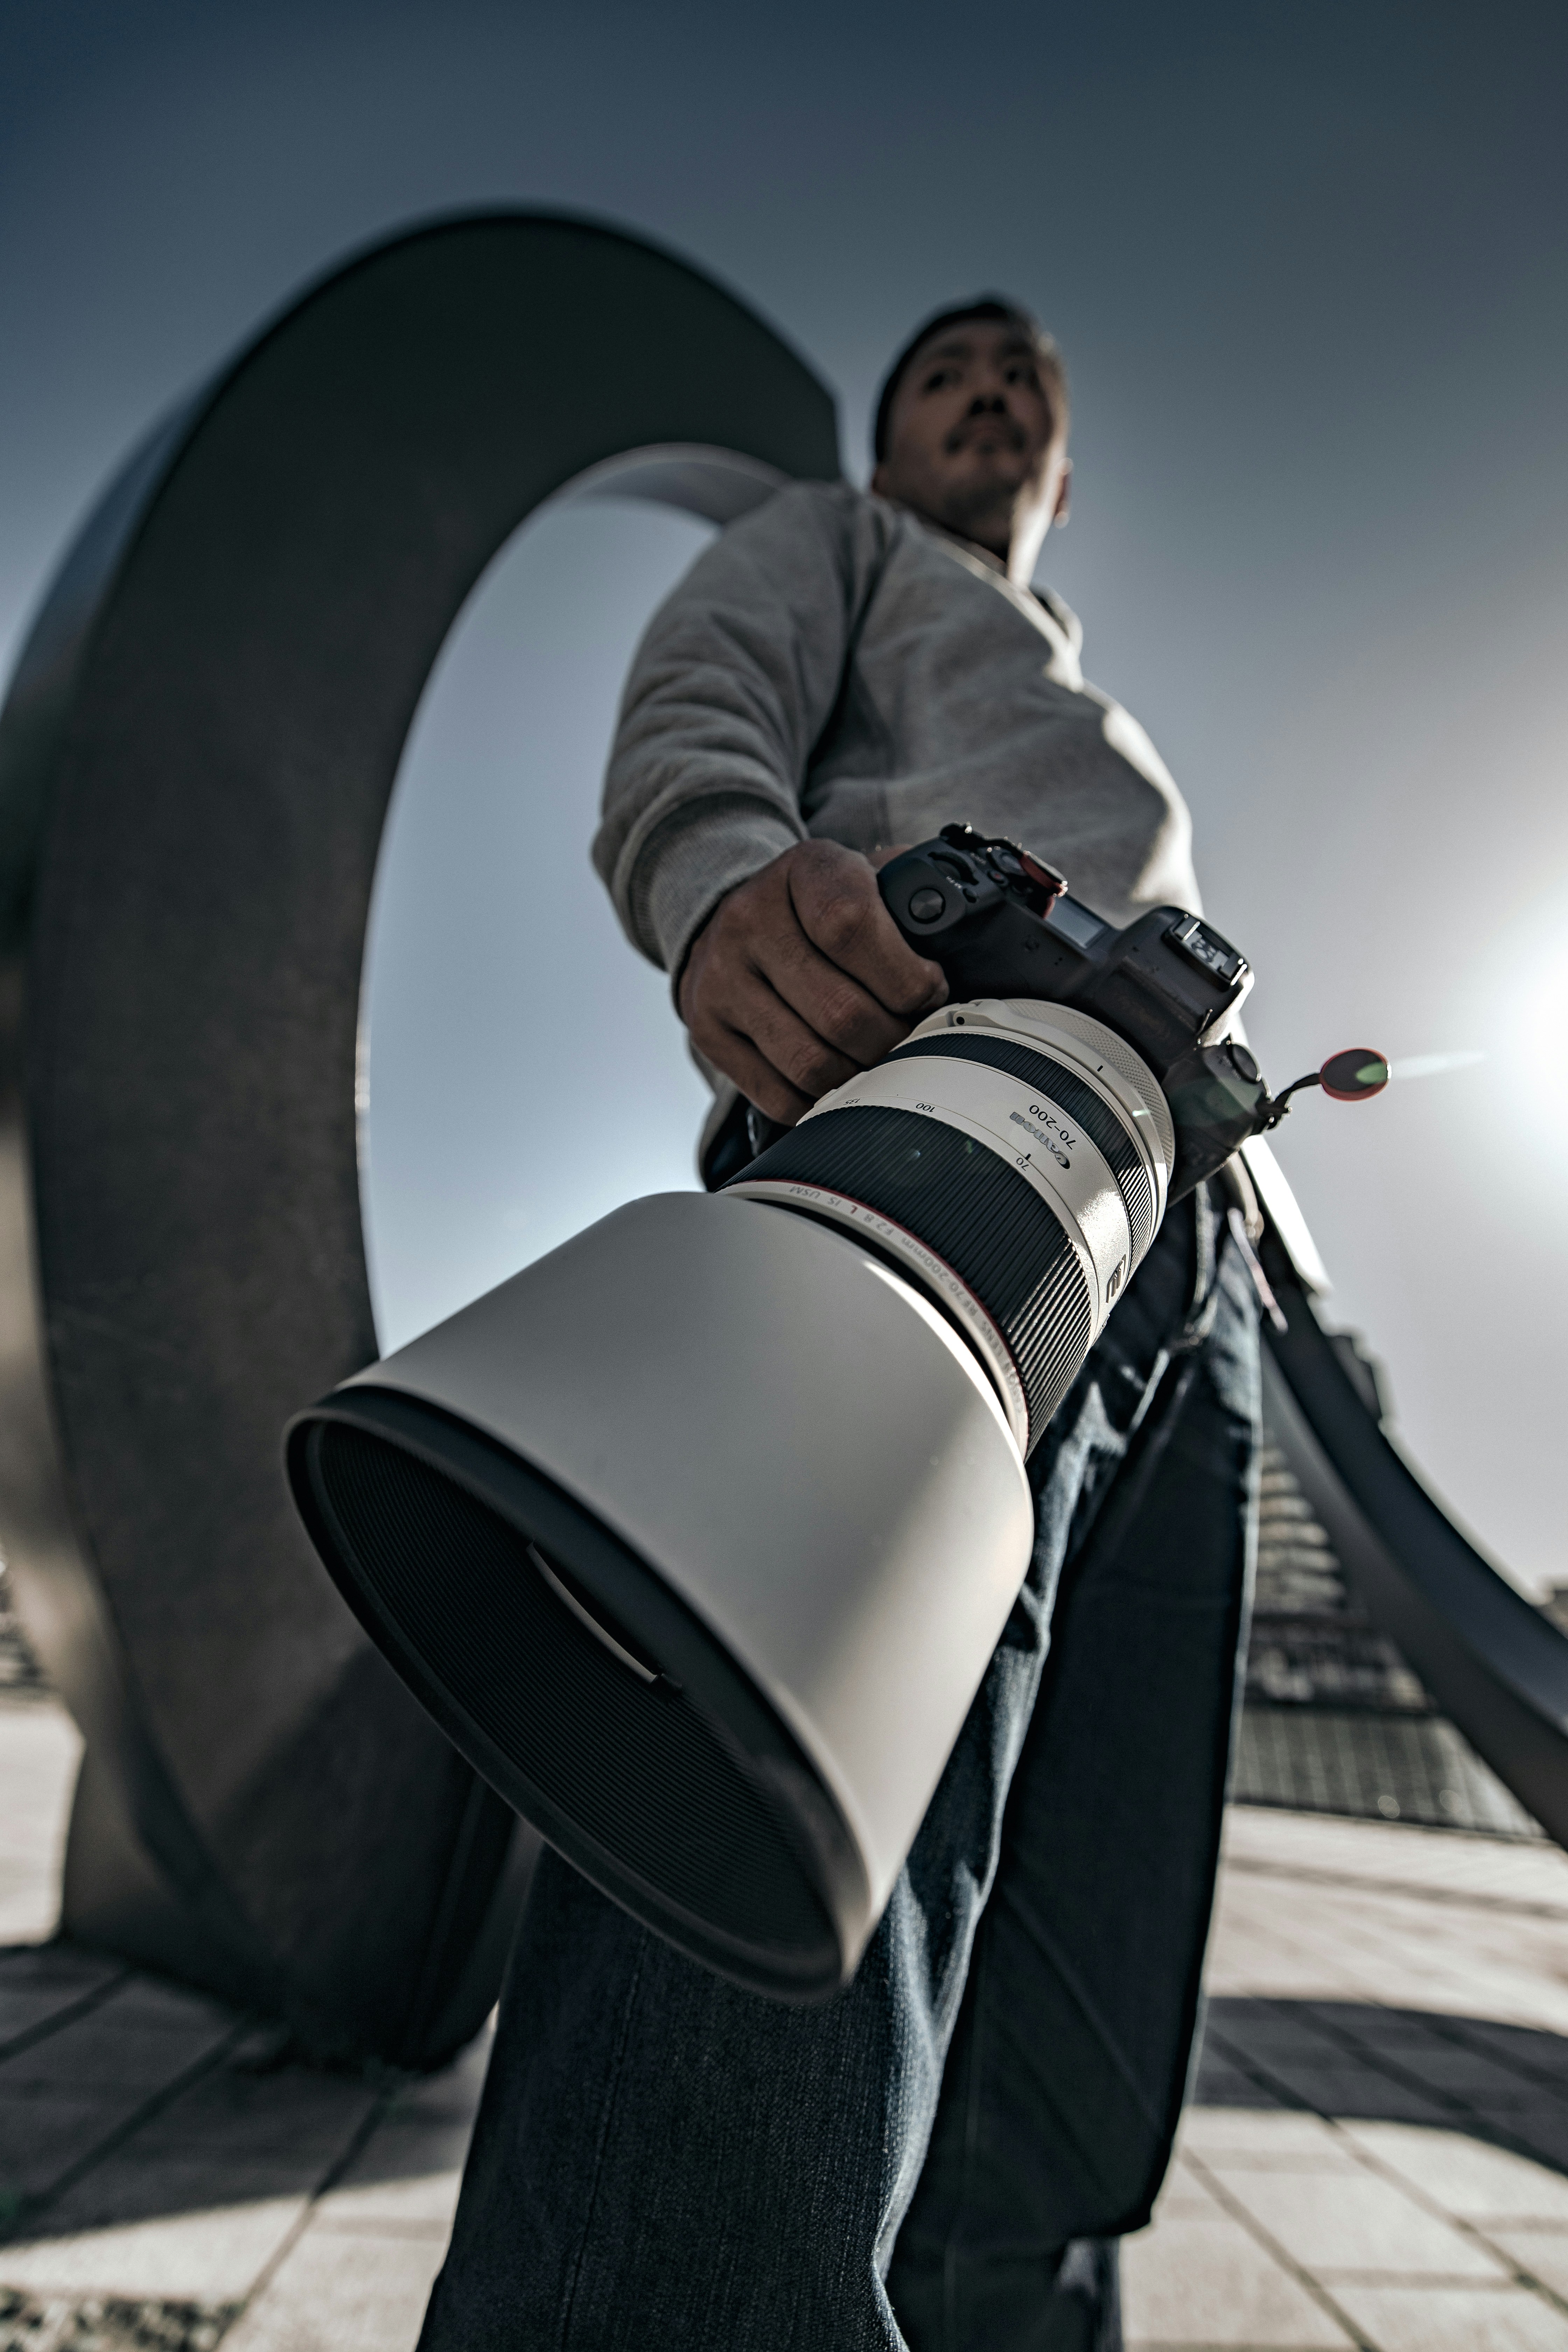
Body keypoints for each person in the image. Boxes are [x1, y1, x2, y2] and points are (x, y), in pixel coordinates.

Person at [418, 300, 1260, 2352]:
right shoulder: (837, 546)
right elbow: (699, 702)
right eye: (948, 370)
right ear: (890, 441)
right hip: (934, 1151)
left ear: (1064, 465)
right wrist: (722, 886)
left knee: (1073, 2019)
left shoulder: (1092, 697)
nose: (988, 391)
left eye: (1024, 379)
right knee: (768, 1919)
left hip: (1193, 1269)